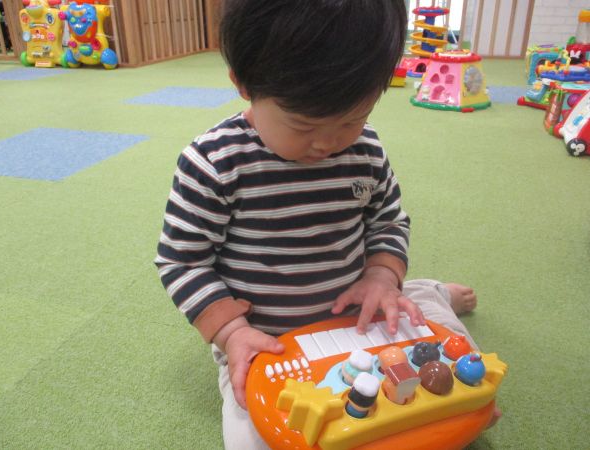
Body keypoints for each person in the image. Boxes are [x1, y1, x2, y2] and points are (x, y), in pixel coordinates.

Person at [155, 1, 499, 448]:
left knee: (445, 358)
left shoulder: (366, 149)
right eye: (303, 126)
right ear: (243, 84)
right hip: (270, 342)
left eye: (353, 118)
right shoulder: (214, 163)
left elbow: (388, 222)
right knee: (254, 440)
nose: (329, 142)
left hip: (361, 319)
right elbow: (182, 261)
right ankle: (430, 292)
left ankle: (430, 294)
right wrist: (232, 333)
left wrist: (381, 276)